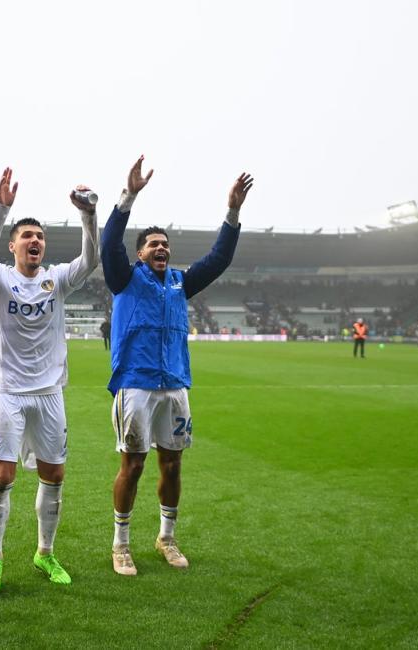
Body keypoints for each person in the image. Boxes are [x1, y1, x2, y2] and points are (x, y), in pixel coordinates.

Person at [100, 156, 253, 576]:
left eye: (165, 243)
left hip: (175, 385)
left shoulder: (179, 283)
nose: (162, 248)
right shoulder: (125, 278)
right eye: (153, 244)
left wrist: (233, 212)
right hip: (135, 385)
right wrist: (127, 196)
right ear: (139, 253)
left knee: (173, 463)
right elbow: (108, 244)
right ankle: (121, 544)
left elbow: (218, 259)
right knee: (132, 465)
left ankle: (166, 537)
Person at [0, 167, 99, 594]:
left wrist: (88, 217)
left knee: (54, 475)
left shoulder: (56, 280)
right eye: (26, 236)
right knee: (4, 476)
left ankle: (44, 553)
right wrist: (1, 209)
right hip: (8, 393)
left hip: (49, 394)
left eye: (39, 237)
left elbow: (91, 261)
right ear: (12, 246)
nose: (34, 241)